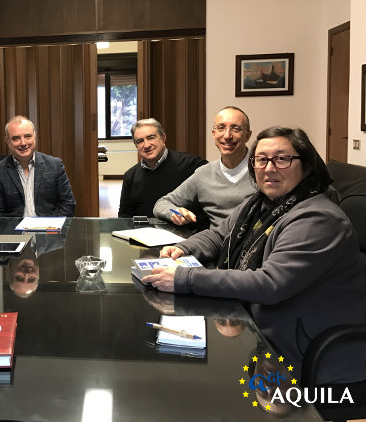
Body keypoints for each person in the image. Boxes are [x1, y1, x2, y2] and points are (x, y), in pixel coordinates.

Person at [144, 127, 366, 384]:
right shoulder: (258, 204)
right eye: (261, 159)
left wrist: (186, 278)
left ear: (306, 166)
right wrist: (185, 248)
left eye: (282, 159)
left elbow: (269, 284)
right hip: (255, 325)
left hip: (301, 350)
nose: (269, 168)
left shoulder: (318, 219)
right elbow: (219, 234)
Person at [153, 106, 257, 228]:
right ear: (214, 134)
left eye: (236, 129)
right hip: (215, 244)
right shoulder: (204, 174)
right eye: (221, 128)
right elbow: (161, 204)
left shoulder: (264, 169)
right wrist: (174, 213)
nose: (227, 135)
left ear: (247, 136)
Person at [0, 115, 76, 219]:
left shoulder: (55, 166)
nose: (23, 143)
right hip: (14, 232)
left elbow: (68, 205)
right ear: (7, 141)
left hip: (49, 230)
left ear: (34, 136)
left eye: (27, 136)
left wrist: (50, 228)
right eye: (16, 138)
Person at [119, 118, 207, 218]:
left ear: (163, 138)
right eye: (140, 141)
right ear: (136, 146)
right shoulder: (130, 176)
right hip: (143, 232)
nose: (146, 145)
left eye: (151, 138)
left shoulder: (192, 164)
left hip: (183, 231)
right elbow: (124, 214)